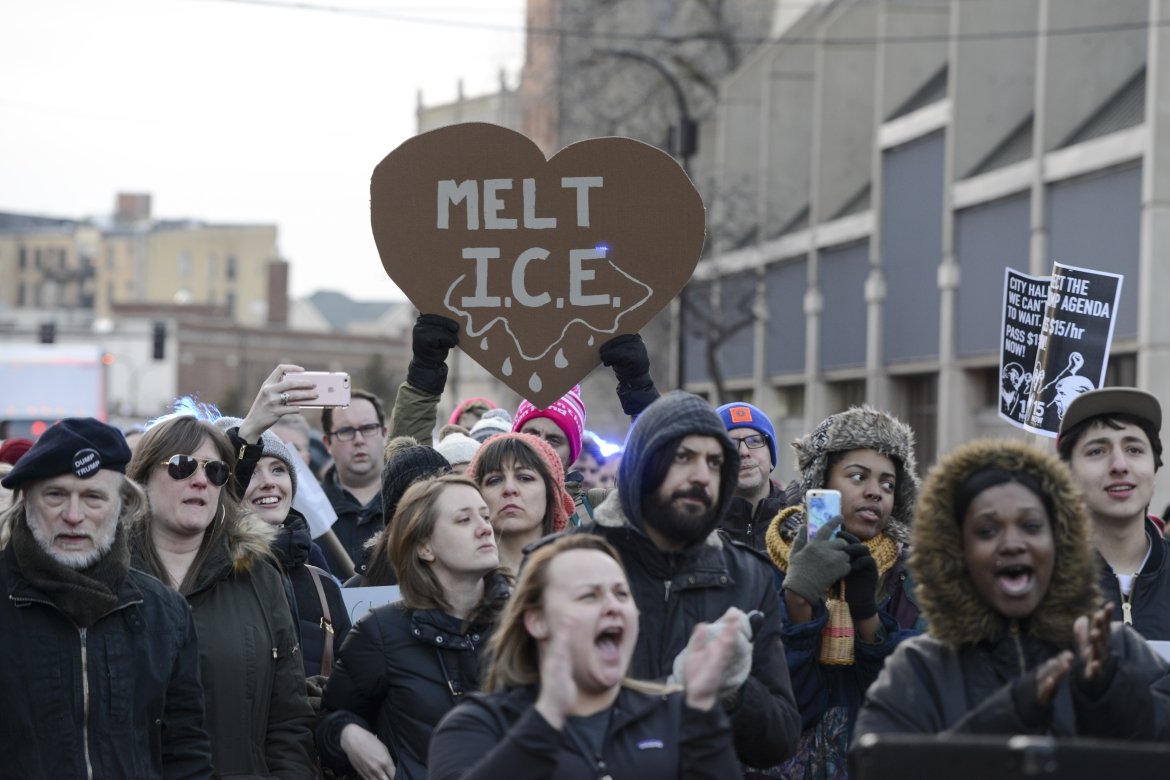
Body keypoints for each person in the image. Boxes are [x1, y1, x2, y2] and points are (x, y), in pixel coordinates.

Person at [854, 438, 1170, 741]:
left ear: (1060, 544)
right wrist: (1008, 715)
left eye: (1031, 526)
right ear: (957, 553)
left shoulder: (1119, 652)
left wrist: (1114, 695)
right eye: (987, 531)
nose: (1012, 543)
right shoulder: (918, 671)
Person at [576, 390, 801, 770]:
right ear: (643, 464)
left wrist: (734, 693)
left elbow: (780, 739)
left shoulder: (748, 576)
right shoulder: (569, 563)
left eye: (715, 463)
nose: (702, 476)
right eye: (684, 457)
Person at [427, 534, 745, 780]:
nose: (612, 606)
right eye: (588, 595)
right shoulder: (478, 724)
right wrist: (545, 721)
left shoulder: (674, 715)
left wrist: (704, 708)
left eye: (621, 594)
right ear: (537, 620)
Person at [0, 418, 213, 779]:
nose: (73, 515)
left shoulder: (165, 613)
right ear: (28, 503)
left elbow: (185, 751)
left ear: (123, 506)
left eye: (93, 497)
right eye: (55, 495)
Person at [126, 415, 318, 779]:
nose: (201, 480)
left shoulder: (260, 575)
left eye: (215, 472)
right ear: (144, 478)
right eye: (182, 466)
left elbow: (290, 719)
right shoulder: (111, 578)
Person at [762, 405, 923, 778]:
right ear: (822, 484)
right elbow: (784, 708)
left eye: (887, 484)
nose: (874, 493)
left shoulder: (914, 581)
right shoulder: (767, 569)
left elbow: (905, 706)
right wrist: (798, 600)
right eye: (857, 477)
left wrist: (867, 614)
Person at [317, 474, 511, 780]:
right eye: (464, 520)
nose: (485, 527)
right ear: (425, 547)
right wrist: (347, 733)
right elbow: (330, 718)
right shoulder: (381, 632)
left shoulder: (525, 624)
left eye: (485, 516)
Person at [214, 416, 351, 678]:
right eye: (252, 470)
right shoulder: (209, 572)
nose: (269, 482)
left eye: (278, 469)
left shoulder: (320, 583)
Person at [1057, 387, 1170, 640]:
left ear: (1154, 466)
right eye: (1097, 451)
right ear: (1067, 473)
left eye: (1134, 450)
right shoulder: (1040, 584)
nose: (1119, 465)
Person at [467, 432, 574, 574]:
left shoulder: (579, 573)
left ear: (550, 493)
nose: (509, 489)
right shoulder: (457, 579)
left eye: (524, 478)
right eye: (495, 480)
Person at [355, 442, 453, 585]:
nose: (429, 509)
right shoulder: (361, 589)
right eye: (417, 499)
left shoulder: (475, 574)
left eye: (438, 495)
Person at [322, 388, 389, 574]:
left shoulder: (409, 505)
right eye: (346, 431)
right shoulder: (308, 514)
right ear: (327, 443)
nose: (358, 440)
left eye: (368, 428)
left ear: (384, 434)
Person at [717, 401, 789, 552]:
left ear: (771, 457)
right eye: (730, 443)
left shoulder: (800, 519)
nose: (743, 452)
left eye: (755, 441)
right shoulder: (698, 525)